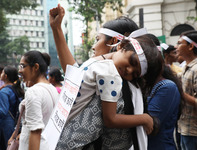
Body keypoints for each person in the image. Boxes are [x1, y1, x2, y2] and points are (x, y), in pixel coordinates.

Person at [50, 4, 152, 150]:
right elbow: (73, 74)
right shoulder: (99, 68)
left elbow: (111, 123)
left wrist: (143, 119)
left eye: (97, 39)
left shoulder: (112, 77)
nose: (93, 46)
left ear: (115, 43)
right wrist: (56, 29)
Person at [9, 50, 59, 150]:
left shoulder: (34, 92)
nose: (19, 70)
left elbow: (35, 132)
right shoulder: (52, 89)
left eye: (23, 66)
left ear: (35, 67)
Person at [176, 30, 197, 150]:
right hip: (185, 129)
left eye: (180, 43)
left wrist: (180, 94)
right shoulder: (186, 67)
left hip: (196, 132)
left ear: (191, 46)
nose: (176, 47)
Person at [0, 66, 24, 148]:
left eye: (2, 72)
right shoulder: (15, 88)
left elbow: (3, 111)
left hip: (5, 124)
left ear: (5, 76)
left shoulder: (4, 91)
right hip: (15, 123)